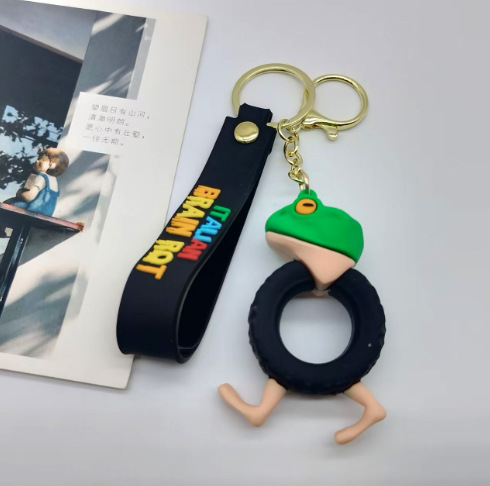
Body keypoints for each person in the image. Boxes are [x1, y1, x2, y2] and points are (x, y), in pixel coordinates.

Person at [0, 147, 68, 238]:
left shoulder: (41, 177)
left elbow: (29, 196)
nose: (37, 161)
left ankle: (2, 229)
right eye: (38, 159)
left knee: (7, 204)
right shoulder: (54, 181)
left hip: (32, 208)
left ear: (52, 165)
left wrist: (19, 193)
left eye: (42, 160)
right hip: (46, 213)